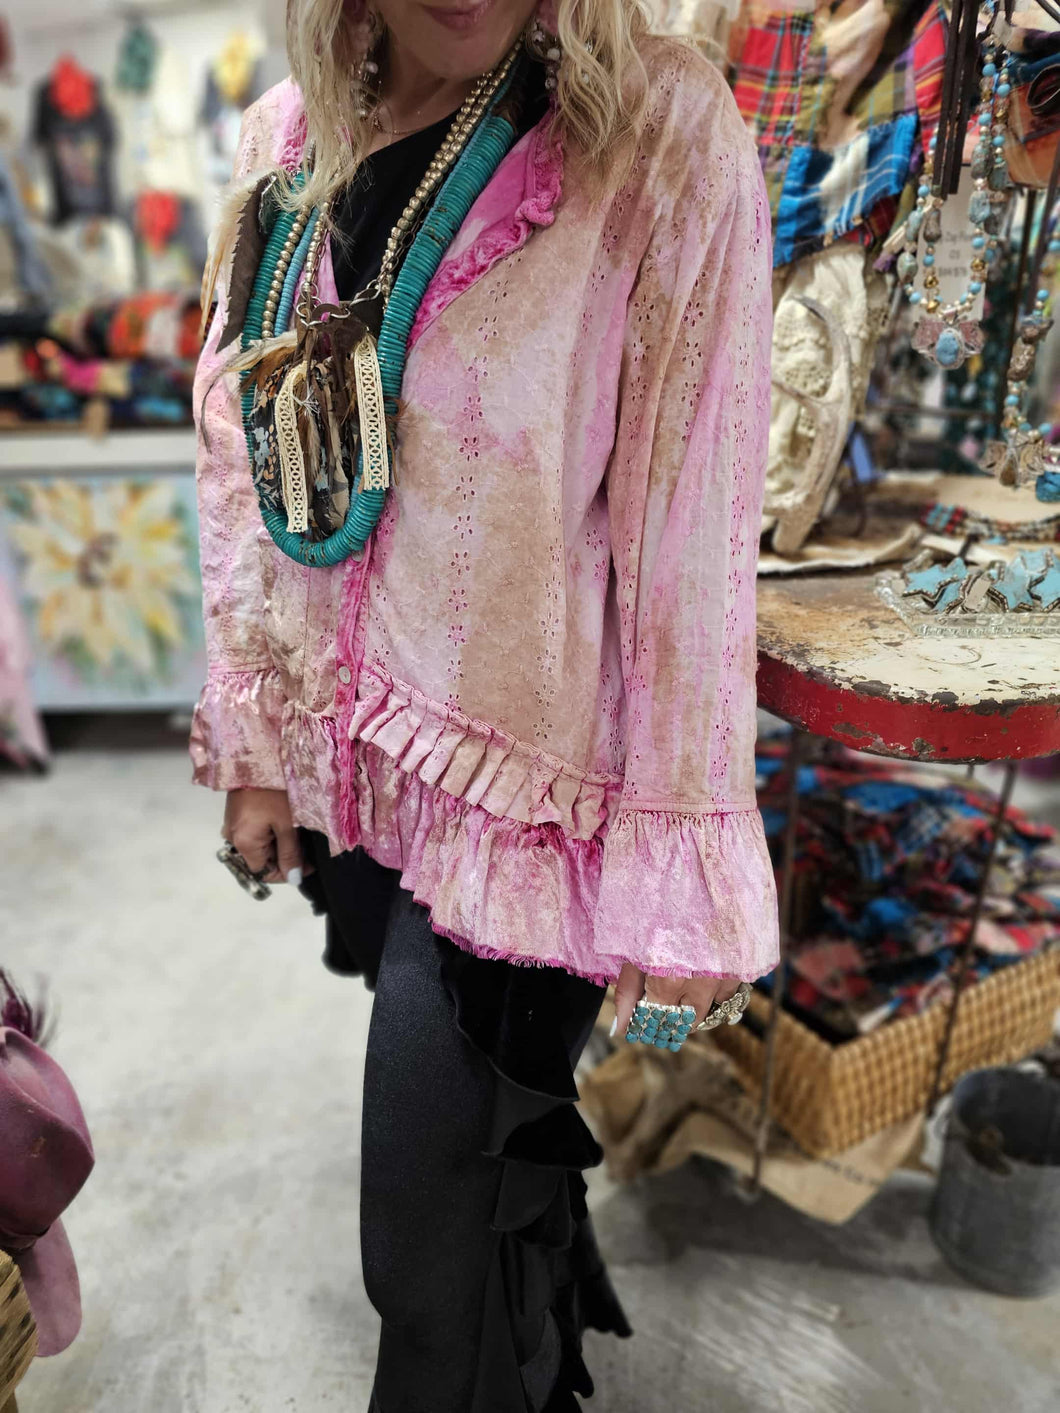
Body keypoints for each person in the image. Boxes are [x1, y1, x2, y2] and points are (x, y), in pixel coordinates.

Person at [191, 0, 779, 1406]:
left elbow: (691, 530)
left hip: (531, 806)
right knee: (497, 1181)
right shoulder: (293, 137)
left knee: (423, 1242)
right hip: (363, 756)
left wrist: (680, 844)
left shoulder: (656, 135)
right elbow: (238, 443)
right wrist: (261, 746)